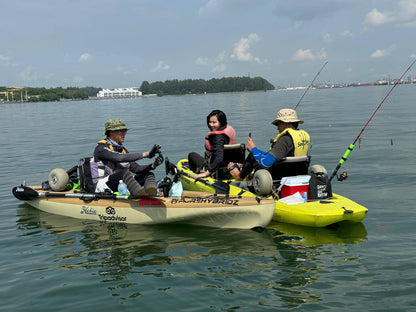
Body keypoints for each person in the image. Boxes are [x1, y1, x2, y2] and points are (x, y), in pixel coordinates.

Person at [229, 108, 310, 181]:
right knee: (255, 154)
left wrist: (253, 149)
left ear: (287, 123)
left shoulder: (285, 139)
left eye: (278, 123)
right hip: (296, 173)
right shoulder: (303, 136)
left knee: (252, 156)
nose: (277, 127)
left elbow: (265, 163)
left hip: (279, 176)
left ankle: (239, 177)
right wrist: (255, 150)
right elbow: (280, 155)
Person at [92, 118, 163, 196]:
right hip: (102, 186)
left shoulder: (122, 150)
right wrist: (146, 154)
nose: (124, 134)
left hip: (120, 183)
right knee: (123, 174)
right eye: (121, 131)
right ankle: (141, 197)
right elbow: (118, 158)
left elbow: (136, 168)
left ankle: (152, 196)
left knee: (148, 174)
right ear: (111, 132)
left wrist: (153, 165)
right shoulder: (101, 148)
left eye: (125, 131)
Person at [188, 110, 236, 179]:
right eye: (210, 122)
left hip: (217, 169)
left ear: (221, 122)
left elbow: (219, 158)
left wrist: (207, 172)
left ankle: (195, 175)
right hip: (230, 166)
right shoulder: (228, 129)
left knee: (191, 155)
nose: (211, 125)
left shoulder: (218, 138)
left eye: (214, 122)